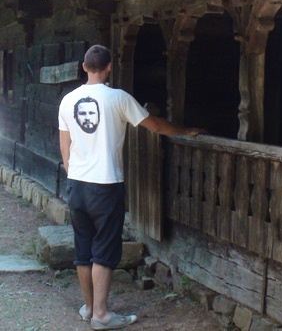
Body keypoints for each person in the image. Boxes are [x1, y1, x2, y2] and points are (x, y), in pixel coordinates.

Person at [58, 44, 204, 330]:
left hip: (77, 183)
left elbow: (65, 145)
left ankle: (89, 308)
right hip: (106, 184)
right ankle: (101, 315)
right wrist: (186, 130)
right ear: (110, 67)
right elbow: (156, 127)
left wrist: (73, 173)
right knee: (104, 250)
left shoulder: (67, 100)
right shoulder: (119, 99)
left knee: (83, 249)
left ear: (85, 67)